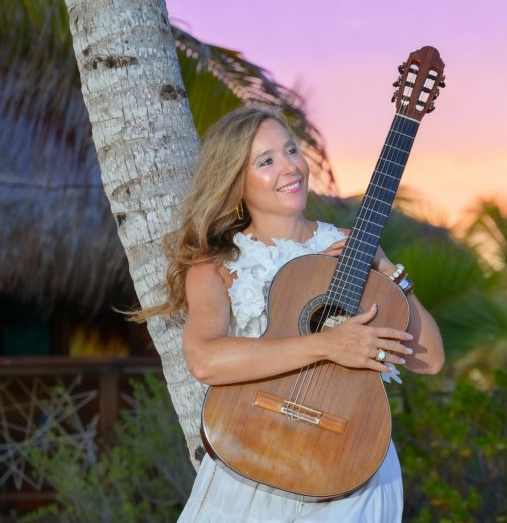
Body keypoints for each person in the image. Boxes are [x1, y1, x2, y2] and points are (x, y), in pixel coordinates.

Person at [139, 105, 445, 522]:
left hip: (349, 464)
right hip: (249, 460)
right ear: (236, 182)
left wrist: (389, 270)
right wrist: (328, 344)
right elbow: (205, 360)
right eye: (266, 161)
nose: (289, 168)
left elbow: (430, 359)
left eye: (291, 151)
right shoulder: (216, 268)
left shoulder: (349, 249)